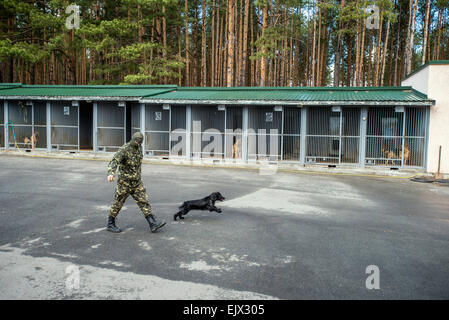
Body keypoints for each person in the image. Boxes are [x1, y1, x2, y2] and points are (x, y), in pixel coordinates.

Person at [106, 132, 166, 233]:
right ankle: (110, 224)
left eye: (140, 142)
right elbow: (114, 161)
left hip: (136, 182)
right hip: (124, 183)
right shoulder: (124, 149)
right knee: (118, 203)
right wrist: (111, 173)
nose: (138, 144)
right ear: (133, 140)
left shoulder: (139, 149)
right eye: (137, 142)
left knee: (144, 201)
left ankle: (152, 223)